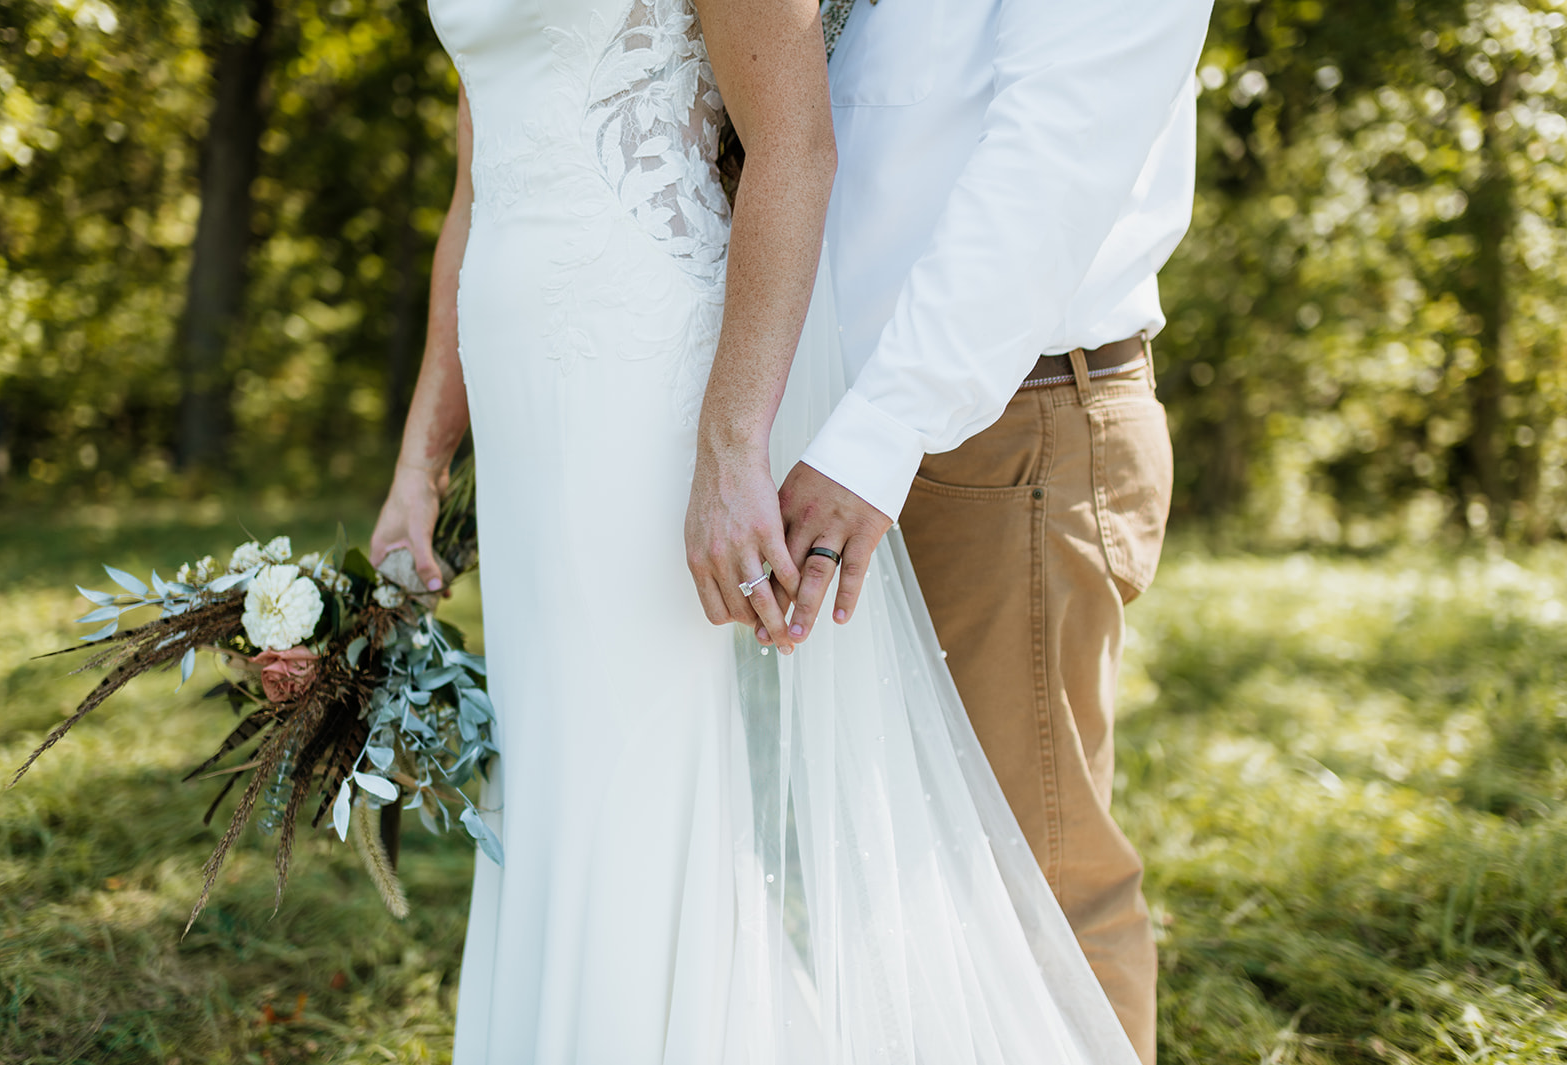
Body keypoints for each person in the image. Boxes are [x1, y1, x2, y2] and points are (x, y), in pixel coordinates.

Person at [371, 0, 1148, 1061]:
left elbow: (814, 141)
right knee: (558, 776)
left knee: (659, 789)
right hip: (528, 391)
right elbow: (477, 186)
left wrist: (735, 445)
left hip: (652, 364)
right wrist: (424, 460)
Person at [771, 1, 1214, 1061]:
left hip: (1003, 422)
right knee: (887, 875)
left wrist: (877, 433)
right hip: (867, 421)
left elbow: (1053, 153)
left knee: (1036, 880)